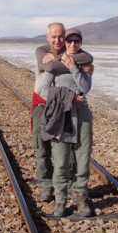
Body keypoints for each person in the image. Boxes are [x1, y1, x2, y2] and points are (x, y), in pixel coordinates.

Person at [31, 22, 93, 203]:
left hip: (64, 107)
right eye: (53, 37)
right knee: (43, 146)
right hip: (43, 105)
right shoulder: (42, 51)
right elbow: (50, 68)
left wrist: (81, 64)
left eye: (61, 37)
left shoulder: (74, 53)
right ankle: (46, 185)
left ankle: (72, 187)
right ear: (47, 37)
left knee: (68, 148)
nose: (57, 40)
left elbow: (89, 57)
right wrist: (76, 66)